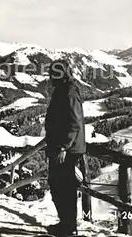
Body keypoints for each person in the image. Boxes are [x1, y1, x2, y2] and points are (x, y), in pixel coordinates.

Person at [44, 59, 86, 237]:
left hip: (66, 149)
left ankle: (68, 228)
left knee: (64, 188)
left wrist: (63, 146)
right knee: (58, 185)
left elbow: (75, 123)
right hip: (62, 147)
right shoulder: (62, 90)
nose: (51, 76)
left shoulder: (68, 92)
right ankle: (66, 224)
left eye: (55, 72)